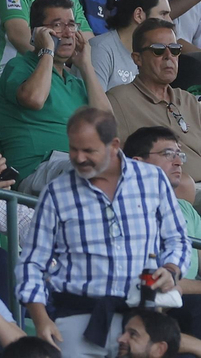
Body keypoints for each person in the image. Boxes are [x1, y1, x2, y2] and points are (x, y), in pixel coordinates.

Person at [18, 108, 187, 356]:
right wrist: (40, 318)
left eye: (89, 150)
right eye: (74, 149)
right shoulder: (57, 192)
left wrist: (171, 269)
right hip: (75, 316)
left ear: (114, 146)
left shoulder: (152, 179)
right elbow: (32, 262)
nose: (79, 158)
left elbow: (177, 239)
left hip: (140, 319)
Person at [0, 0, 111, 193]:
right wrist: (47, 50)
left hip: (75, 165)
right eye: (57, 26)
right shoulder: (20, 66)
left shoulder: (76, 82)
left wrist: (85, 66)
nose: (67, 33)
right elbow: (34, 99)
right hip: (36, 169)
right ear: (38, 33)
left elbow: (107, 123)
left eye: (72, 25)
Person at [107, 18, 201, 181]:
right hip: (168, 190)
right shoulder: (118, 100)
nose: (168, 56)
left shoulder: (188, 100)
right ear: (137, 58)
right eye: (158, 50)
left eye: (175, 49)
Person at [89, 0, 170, 92]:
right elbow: (94, 101)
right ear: (139, 15)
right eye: (163, 14)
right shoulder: (100, 49)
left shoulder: (152, 54)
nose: (170, 21)